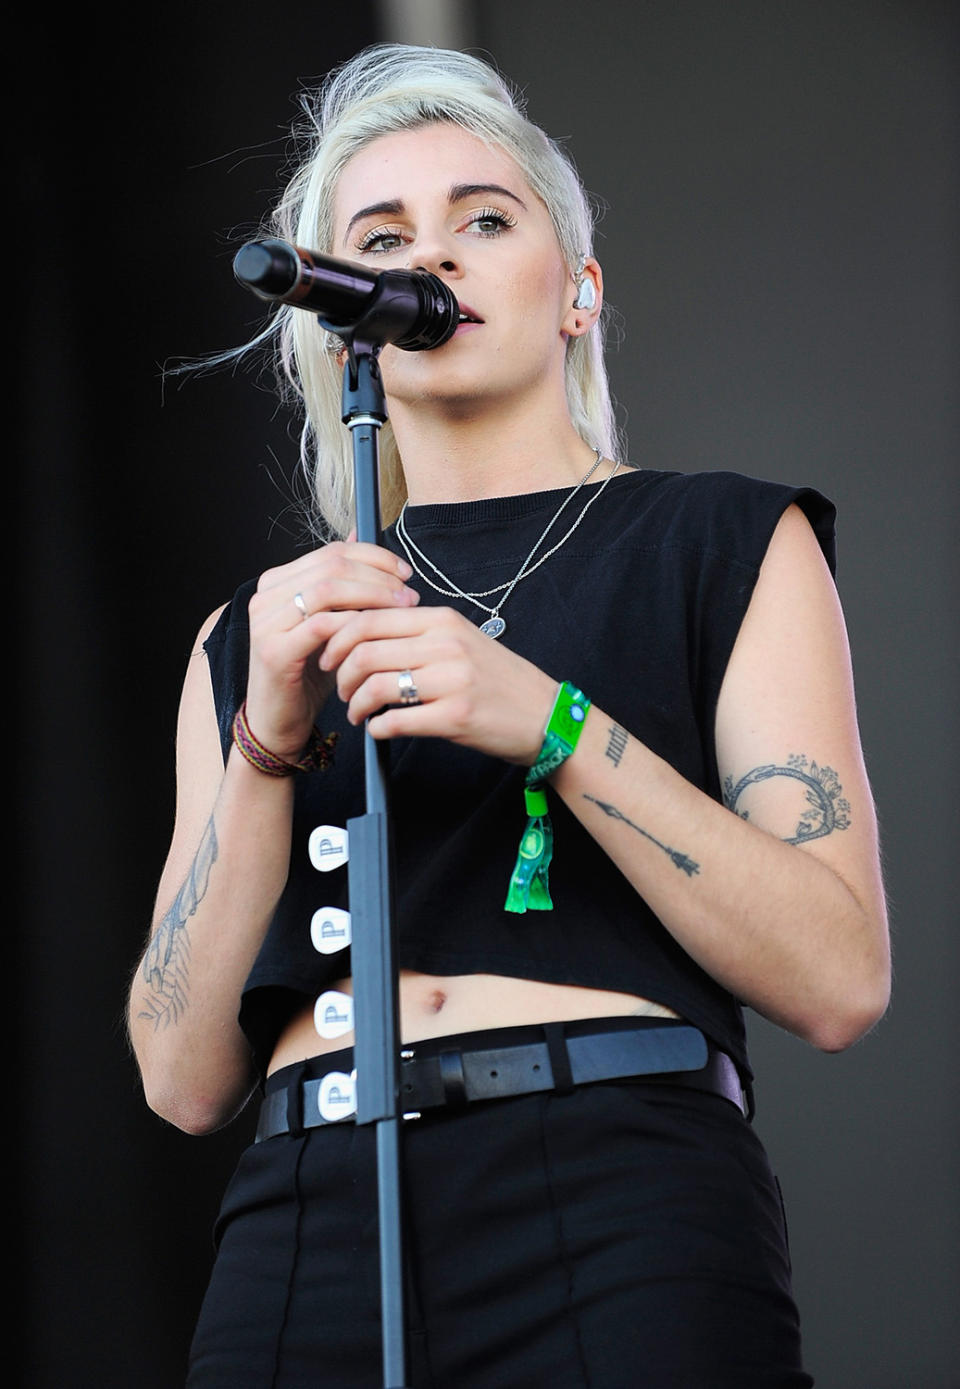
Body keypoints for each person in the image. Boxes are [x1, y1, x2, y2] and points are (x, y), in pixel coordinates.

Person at [127, 43, 890, 1389]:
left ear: (580, 289)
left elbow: (840, 976)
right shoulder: (259, 630)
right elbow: (182, 1078)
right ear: (339, 311)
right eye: (383, 237)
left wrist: (548, 720)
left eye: (484, 218)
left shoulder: (719, 539)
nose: (435, 257)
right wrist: (262, 748)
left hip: (617, 1192)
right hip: (308, 1211)